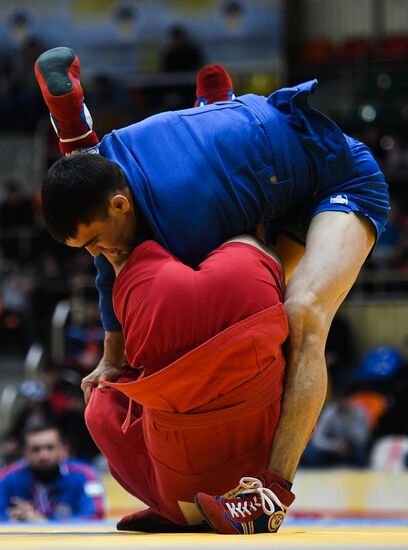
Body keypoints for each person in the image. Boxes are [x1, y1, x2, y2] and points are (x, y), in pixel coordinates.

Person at [35, 47, 390, 533]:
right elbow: (111, 269)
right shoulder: (104, 163)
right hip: (266, 170)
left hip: (339, 179)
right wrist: (111, 356)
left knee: (301, 315)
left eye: (94, 240)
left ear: (120, 205)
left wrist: (127, 365)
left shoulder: (185, 213)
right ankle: (204, 108)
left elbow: (156, 294)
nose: (96, 253)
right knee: (199, 267)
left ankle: (271, 494)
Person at [84, 233, 294, 532]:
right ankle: (274, 487)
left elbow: (103, 409)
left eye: (94, 242)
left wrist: (112, 365)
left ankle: (265, 491)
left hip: (179, 496)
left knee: (99, 400)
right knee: (307, 350)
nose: (94, 248)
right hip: (256, 259)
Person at [0, 424, 105, 522]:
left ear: (63, 449)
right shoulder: (7, 476)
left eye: (50, 447)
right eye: (36, 449)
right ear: (25, 452)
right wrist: (13, 521)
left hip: (70, 542)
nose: (43, 455)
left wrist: (43, 523)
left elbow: (95, 515)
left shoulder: (85, 474)